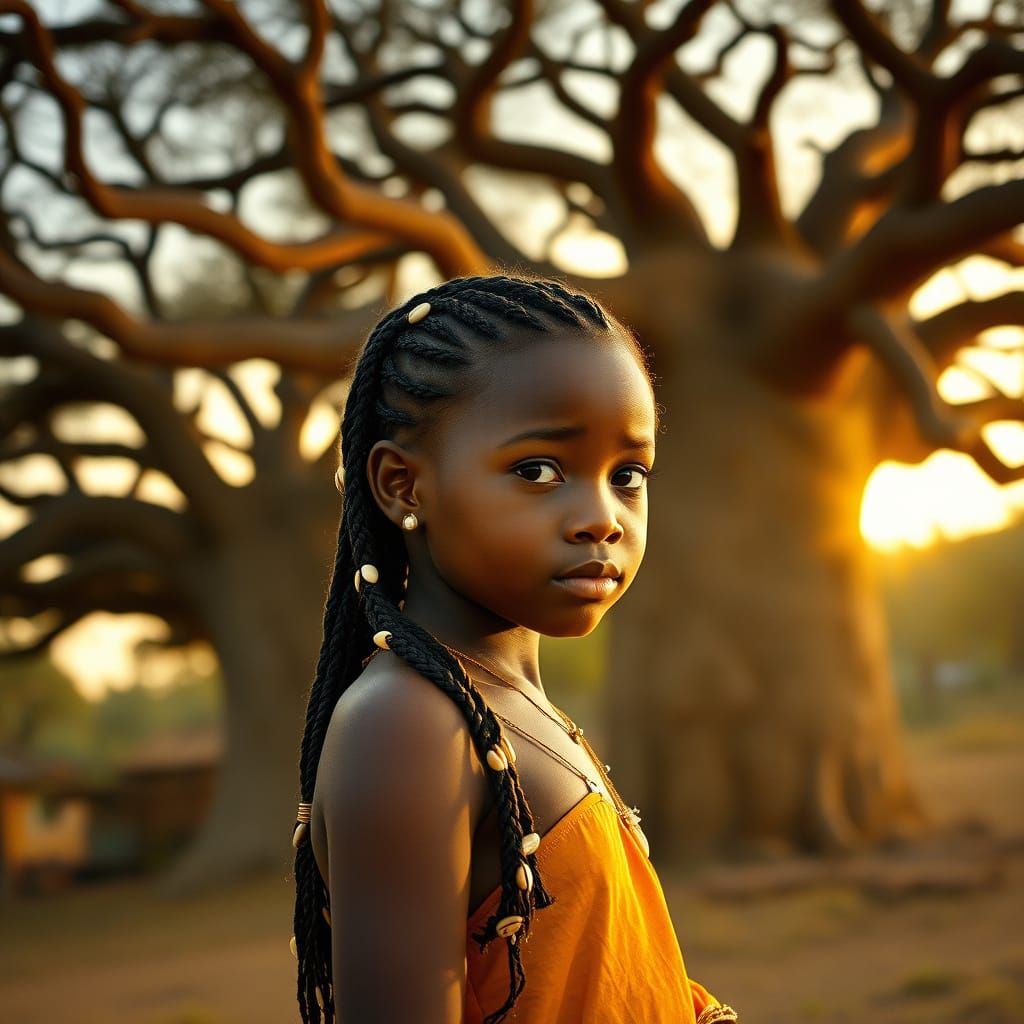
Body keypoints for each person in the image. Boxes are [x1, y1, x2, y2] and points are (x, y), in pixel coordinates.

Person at [290, 273, 738, 1024]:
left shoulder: (508, 702)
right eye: (538, 471)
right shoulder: (406, 725)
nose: (601, 518)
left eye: (627, 474)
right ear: (403, 486)